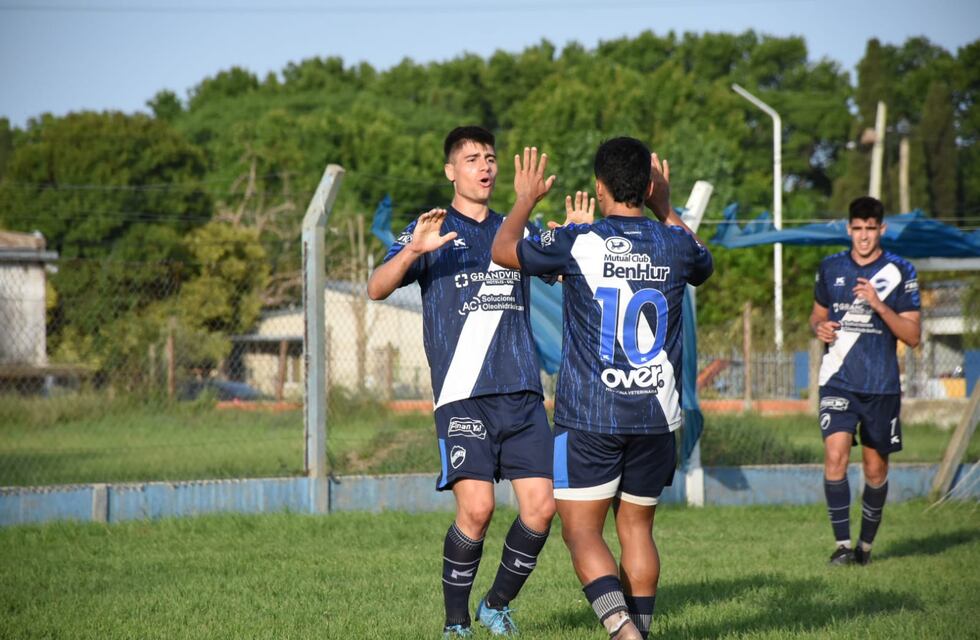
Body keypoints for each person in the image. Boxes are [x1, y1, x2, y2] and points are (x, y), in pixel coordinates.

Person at [492, 138, 713, 639]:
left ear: (599, 185)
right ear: (649, 184)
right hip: (657, 415)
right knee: (637, 529)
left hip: (590, 417)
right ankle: (643, 630)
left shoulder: (581, 241)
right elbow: (704, 263)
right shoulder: (676, 243)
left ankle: (624, 632)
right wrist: (667, 207)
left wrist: (525, 197)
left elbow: (504, 251)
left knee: (581, 531)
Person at [367, 126, 559, 638]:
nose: (486, 166)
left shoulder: (514, 228)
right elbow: (375, 288)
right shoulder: (429, 227)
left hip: (521, 391)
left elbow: (557, 271)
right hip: (463, 396)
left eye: (491, 157)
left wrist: (573, 237)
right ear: (451, 171)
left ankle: (496, 605)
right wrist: (412, 252)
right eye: (472, 158)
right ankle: (456, 623)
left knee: (541, 508)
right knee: (477, 508)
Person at [809, 195, 921, 566]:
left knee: (876, 469)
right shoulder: (830, 268)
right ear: (848, 229)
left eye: (870, 229)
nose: (863, 236)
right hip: (838, 381)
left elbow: (913, 335)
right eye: (857, 228)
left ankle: (865, 548)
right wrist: (819, 328)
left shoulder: (900, 271)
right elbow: (816, 318)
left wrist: (878, 303)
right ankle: (842, 547)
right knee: (835, 456)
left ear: (881, 230)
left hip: (881, 386)